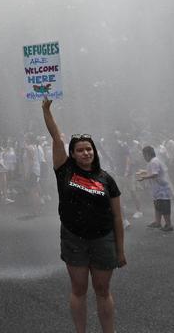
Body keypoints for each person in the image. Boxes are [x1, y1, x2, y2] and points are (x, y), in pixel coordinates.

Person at [42, 99, 126, 333]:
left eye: (89, 148)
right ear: (72, 154)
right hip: (74, 237)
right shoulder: (65, 170)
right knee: (79, 289)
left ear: (94, 151)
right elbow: (56, 137)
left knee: (102, 289)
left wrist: (120, 250)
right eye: (80, 149)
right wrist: (46, 110)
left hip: (103, 238)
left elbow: (117, 217)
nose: (85, 152)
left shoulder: (106, 179)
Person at [137, 146, 173, 231]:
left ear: (147, 154)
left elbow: (155, 174)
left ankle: (169, 225)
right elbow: (153, 172)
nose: (144, 157)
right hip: (158, 189)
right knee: (157, 205)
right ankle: (157, 222)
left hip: (162, 189)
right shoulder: (153, 161)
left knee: (164, 206)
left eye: (144, 155)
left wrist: (144, 177)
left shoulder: (154, 162)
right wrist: (144, 172)